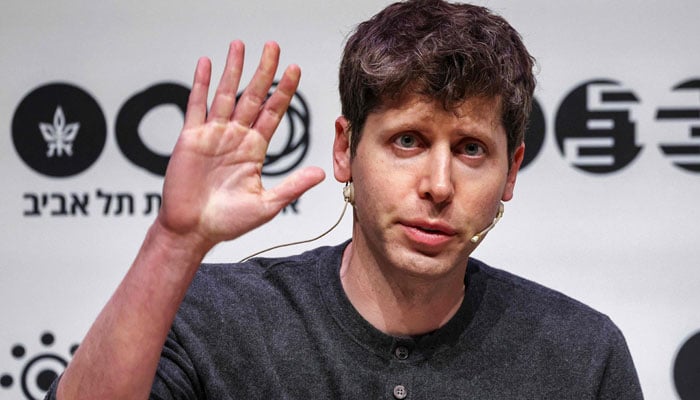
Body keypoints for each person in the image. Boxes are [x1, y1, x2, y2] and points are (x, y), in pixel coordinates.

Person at [47, 0, 643, 398]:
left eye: (470, 150)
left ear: (510, 172)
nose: (438, 185)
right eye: (406, 141)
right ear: (345, 149)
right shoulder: (217, 322)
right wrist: (173, 243)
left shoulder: (581, 357)